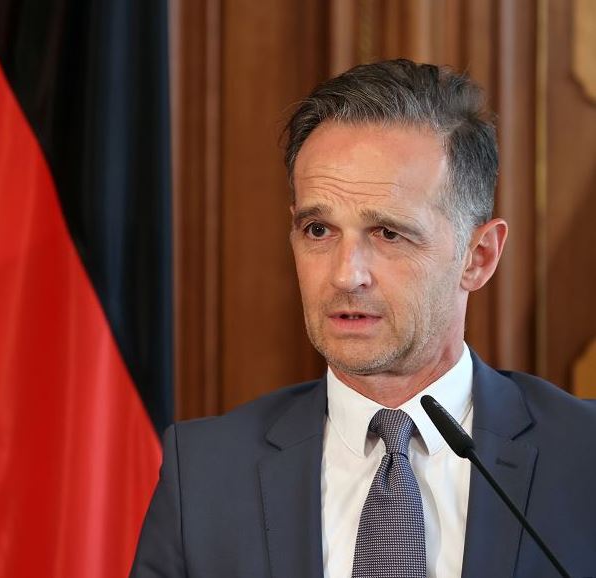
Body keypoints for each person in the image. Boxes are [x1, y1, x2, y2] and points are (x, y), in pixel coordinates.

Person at [130, 59, 596, 578]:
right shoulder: (204, 473)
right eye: (318, 230)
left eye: (388, 234)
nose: (345, 275)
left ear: (478, 257)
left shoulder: (584, 458)